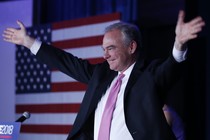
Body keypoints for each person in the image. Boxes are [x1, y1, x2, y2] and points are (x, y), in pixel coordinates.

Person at [3, 10, 205, 140]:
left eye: (110, 48)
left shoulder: (149, 76)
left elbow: (171, 67)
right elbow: (66, 62)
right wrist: (29, 42)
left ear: (131, 47)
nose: (104, 54)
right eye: (103, 49)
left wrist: (179, 44)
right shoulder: (101, 74)